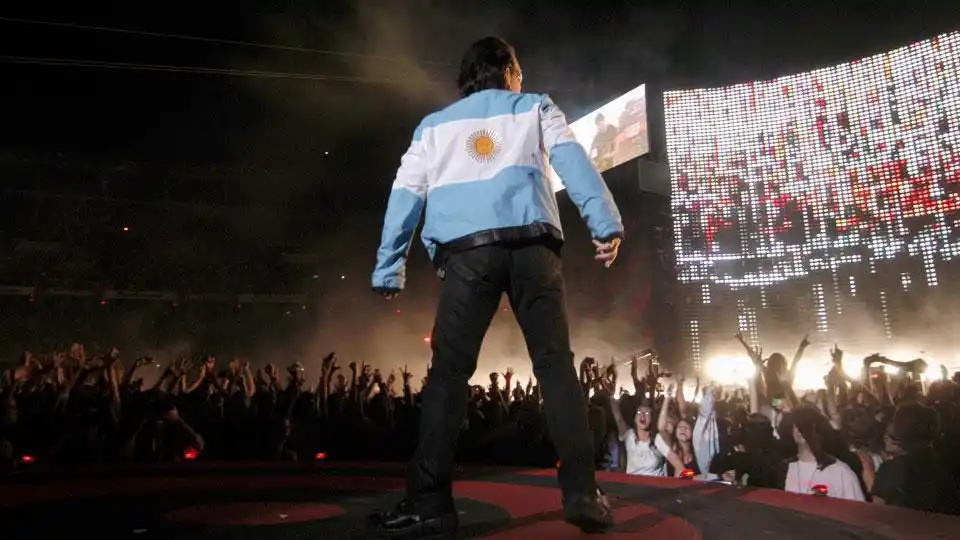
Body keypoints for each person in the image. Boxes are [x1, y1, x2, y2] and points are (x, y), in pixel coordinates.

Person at [368, 36, 624, 538]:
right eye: (520, 73)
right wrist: (604, 223)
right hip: (534, 249)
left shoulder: (433, 127)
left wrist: (389, 267)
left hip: (468, 257)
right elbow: (572, 160)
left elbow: (405, 195)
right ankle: (582, 493)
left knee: (448, 377)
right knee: (555, 367)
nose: (522, 82)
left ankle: (429, 503)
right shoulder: (536, 107)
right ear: (507, 71)